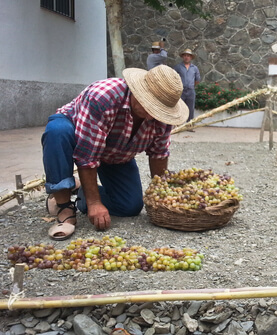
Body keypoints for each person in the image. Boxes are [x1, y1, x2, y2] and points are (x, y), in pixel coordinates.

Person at [42, 65, 189, 240]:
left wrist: (162, 193)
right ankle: (63, 204)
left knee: (131, 206)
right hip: (79, 136)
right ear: (138, 92)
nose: (152, 116)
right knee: (56, 131)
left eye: (158, 111)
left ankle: (78, 189)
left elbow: (159, 153)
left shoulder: (162, 116)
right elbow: (87, 156)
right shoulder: (103, 97)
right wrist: (95, 203)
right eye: (151, 107)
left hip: (116, 152)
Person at [174, 48, 201, 123]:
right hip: (181, 91)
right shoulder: (178, 67)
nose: (186, 57)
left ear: (191, 57)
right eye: (185, 55)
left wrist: (191, 86)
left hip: (191, 91)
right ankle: (178, 124)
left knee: (190, 108)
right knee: (179, 108)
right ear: (182, 57)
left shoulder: (195, 68)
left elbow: (197, 80)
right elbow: (173, 77)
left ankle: (189, 125)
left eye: (188, 56)